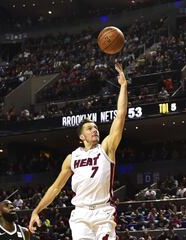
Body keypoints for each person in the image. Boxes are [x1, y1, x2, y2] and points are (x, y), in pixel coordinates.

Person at [28, 63, 128, 240]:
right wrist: (37, 210)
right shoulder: (72, 158)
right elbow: (56, 187)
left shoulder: (106, 147)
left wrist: (123, 86)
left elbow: (120, 115)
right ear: (81, 136)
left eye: (96, 127)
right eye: (90, 128)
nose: (95, 130)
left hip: (103, 212)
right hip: (80, 215)